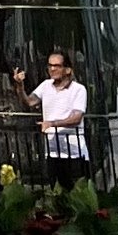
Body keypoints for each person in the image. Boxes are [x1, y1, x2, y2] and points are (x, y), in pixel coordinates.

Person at [31, 49, 90, 190]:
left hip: (74, 153)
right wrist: (19, 86)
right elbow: (30, 101)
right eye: (50, 65)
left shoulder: (78, 89)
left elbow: (76, 118)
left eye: (56, 66)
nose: (52, 69)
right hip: (52, 151)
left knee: (77, 194)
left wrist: (52, 123)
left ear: (67, 69)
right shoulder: (46, 85)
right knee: (56, 194)